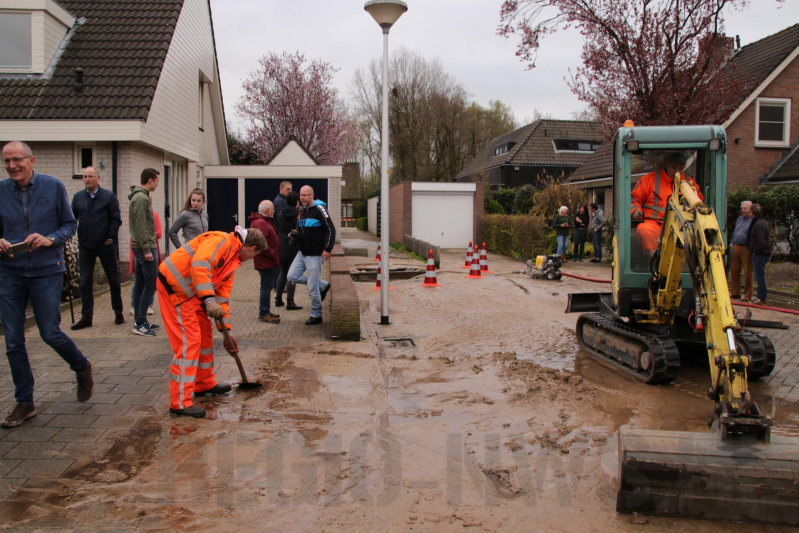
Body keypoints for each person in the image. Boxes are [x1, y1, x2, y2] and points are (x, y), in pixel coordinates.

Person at [0, 141, 94, 428]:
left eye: (17, 160)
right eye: (6, 161)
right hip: (9, 272)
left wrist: (50, 239)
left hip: (46, 271)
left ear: (32, 160)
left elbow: (69, 225)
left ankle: (81, 366)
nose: (12, 166)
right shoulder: (1, 190)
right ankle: (24, 401)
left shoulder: (52, 186)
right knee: (13, 339)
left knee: (50, 332)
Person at [157, 227, 266, 418]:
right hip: (176, 289)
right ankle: (180, 402)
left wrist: (227, 334)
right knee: (189, 343)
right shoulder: (222, 241)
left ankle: (204, 383)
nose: (252, 259)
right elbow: (200, 265)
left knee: (205, 338)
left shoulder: (233, 262)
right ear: (251, 248)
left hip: (194, 295)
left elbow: (222, 300)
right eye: (255, 254)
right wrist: (208, 300)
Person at [70, 165, 123, 330]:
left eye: (90, 176)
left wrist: (110, 237)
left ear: (98, 178)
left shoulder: (108, 197)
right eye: (85, 177)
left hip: (104, 245)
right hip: (86, 245)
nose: (87, 179)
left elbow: (116, 219)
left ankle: (118, 311)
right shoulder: (78, 198)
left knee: (113, 280)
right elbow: (72, 219)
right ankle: (86, 317)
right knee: (85, 282)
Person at [631, 152, 703, 252]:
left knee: (694, 236)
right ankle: (652, 260)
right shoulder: (650, 179)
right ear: (667, 165)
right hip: (654, 223)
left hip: (680, 224)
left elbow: (699, 203)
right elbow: (633, 198)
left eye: (681, 168)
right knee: (644, 231)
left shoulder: (689, 182)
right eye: (674, 168)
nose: (677, 172)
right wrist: (635, 210)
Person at [288, 186, 335, 325]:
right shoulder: (302, 211)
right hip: (302, 252)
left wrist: (328, 248)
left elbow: (330, 229)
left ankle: (316, 315)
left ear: (312, 195)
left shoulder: (320, 209)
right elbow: (301, 228)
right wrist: (295, 233)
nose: (302, 198)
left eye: (305, 195)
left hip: (315, 254)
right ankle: (323, 285)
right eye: (301, 195)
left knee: (312, 289)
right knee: (291, 276)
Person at [128, 169, 160, 336]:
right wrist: (147, 249)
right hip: (145, 247)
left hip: (142, 246)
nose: (157, 184)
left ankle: (140, 320)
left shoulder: (140, 196)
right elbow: (141, 225)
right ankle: (140, 323)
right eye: (156, 181)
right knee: (150, 284)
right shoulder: (141, 198)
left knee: (141, 283)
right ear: (150, 181)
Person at [129, 193, 162, 317]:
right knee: (141, 280)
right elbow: (135, 231)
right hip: (142, 249)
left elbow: (159, 233)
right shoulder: (133, 215)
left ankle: (148, 305)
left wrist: (146, 235)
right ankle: (135, 307)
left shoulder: (155, 215)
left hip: (151, 248)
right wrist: (147, 235)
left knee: (150, 280)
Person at [248, 200, 281, 323]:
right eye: (272, 208)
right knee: (266, 287)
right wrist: (273, 255)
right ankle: (264, 313)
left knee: (266, 287)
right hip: (266, 262)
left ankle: (266, 311)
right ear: (268, 210)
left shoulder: (263, 222)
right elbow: (263, 244)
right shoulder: (261, 223)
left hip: (268, 261)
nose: (274, 210)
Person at [275, 191, 302, 310]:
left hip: (282, 244)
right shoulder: (298, 214)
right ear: (297, 202)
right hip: (293, 245)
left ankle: (278, 299)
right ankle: (290, 302)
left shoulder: (280, 213)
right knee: (292, 275)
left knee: (282, 272)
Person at [729, 201, 754, 301]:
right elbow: (736, 231)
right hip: (736, 245)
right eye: (742, 208)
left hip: (746, 248)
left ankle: (747, 294)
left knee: (748, 271)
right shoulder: (739, 219)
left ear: (750, 209)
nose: (743, 210)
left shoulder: (752, 220)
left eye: (745, 208)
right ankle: (735, 292)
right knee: (734, 270)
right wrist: (732, 243)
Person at [748, 203, 771, 304]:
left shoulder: (758, 224)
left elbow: (762, 242)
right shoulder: (763, 222)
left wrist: (755, 252)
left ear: (752, 212)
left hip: (760, 254)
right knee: (759, 276)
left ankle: (761, 297)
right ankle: (760, 295)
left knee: (759, 276)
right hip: (763, 253)